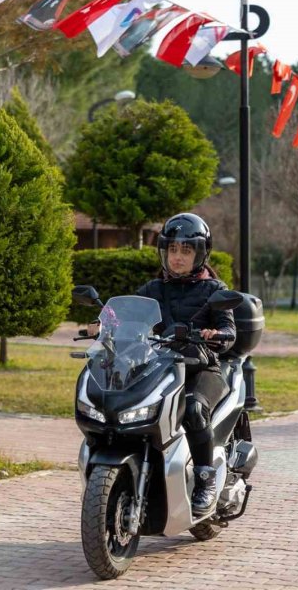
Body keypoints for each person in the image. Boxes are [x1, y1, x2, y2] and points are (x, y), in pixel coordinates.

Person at [87, 213, 236, 517]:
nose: (178, 257)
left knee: (193, 408)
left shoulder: (213, 290)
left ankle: (205, 478)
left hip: (200, 368)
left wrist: (216, 335)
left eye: (186, 250)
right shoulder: (153, 289)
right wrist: (102, 324)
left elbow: (229, 331)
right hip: (161, 368)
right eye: (173, 249)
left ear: (200, 253)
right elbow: (124, 317)